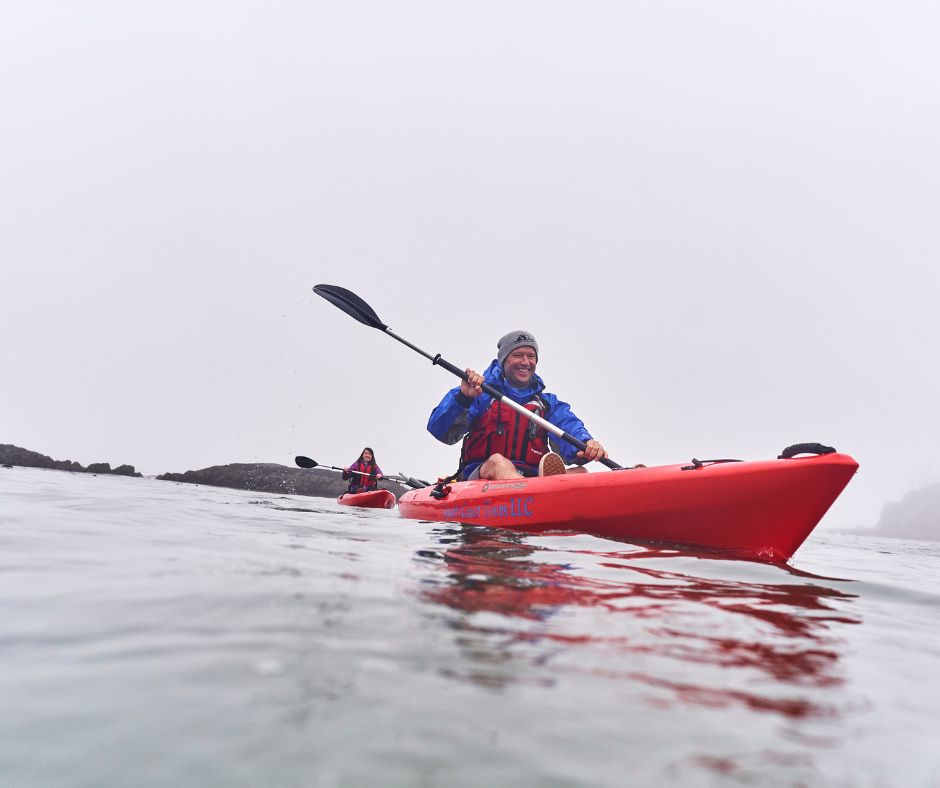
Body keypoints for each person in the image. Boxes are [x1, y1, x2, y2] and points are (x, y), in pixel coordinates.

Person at [427, 331, 608, 480]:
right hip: (482, 476)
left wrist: (586, 444)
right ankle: (536, 496)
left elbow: (570, 427)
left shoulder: (547, 404)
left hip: (531, 477)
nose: (525, 362)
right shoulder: (478, 392)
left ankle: (541, 494)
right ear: (503, 361)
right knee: (498, 462)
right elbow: (439, 430)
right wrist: (463, 398)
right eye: (517, 355)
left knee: (580, 474)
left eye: (531, 356)